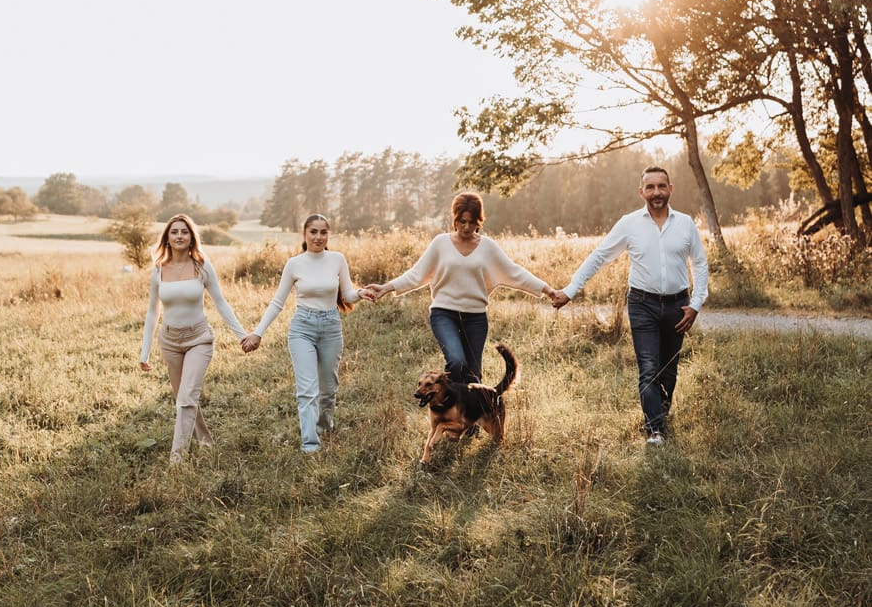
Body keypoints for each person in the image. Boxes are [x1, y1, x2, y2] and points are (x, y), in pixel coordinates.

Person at [553, 166, 708, 445]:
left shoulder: (685, 223)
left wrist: (695, 304)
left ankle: (660, 410)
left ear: (670, 189)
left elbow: (699, 263)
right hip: (642, 304)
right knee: (649, 367)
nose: (656, 192)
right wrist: (570, 290)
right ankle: (654, 429)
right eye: (650, 187)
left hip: (678, 305)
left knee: (669, 369)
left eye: (661, 186)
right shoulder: (629, 223)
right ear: (642, 192)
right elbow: (599, 256)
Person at [366, 192, 564, 385]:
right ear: (455, 220)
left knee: (473, 376)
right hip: (444, 314)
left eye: (472, 222)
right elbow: (416, 274)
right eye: (462, 221)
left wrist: (548, 290)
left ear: (479, 221)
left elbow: (515, 272)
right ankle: (447, 410)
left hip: (476, 319)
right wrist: (386, 287)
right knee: (457, 363)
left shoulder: (488, 247)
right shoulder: (440, 243)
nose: (467, 227)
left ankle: (462, 417)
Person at [244, 214, 366, 455]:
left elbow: (348, 294)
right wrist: (258, 333)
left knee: (328, 389)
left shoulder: (337, 260)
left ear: (328, 235)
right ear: (304, 234)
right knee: (307, 390)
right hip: (303, 329)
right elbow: (277, 302)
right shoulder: (295, 264)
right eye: (314, 232)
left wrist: (363, 293)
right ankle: (310, 445)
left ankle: (324, 428)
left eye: (323, 232)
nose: (318, 237)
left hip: (331, 327)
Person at [139, 213, 255, 464]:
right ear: (167, 238)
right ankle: (205, 440)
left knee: (187, 396)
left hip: (198, 338)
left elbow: (221, 303)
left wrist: (241, 335)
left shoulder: (202, 266)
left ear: (192, 237)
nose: (179, 236)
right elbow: (152, 311)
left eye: (184, 232)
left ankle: (177, 458)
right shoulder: (159, 269)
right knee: (183, 395)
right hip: (169, 341)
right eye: (174, 232)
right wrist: (144, 352)